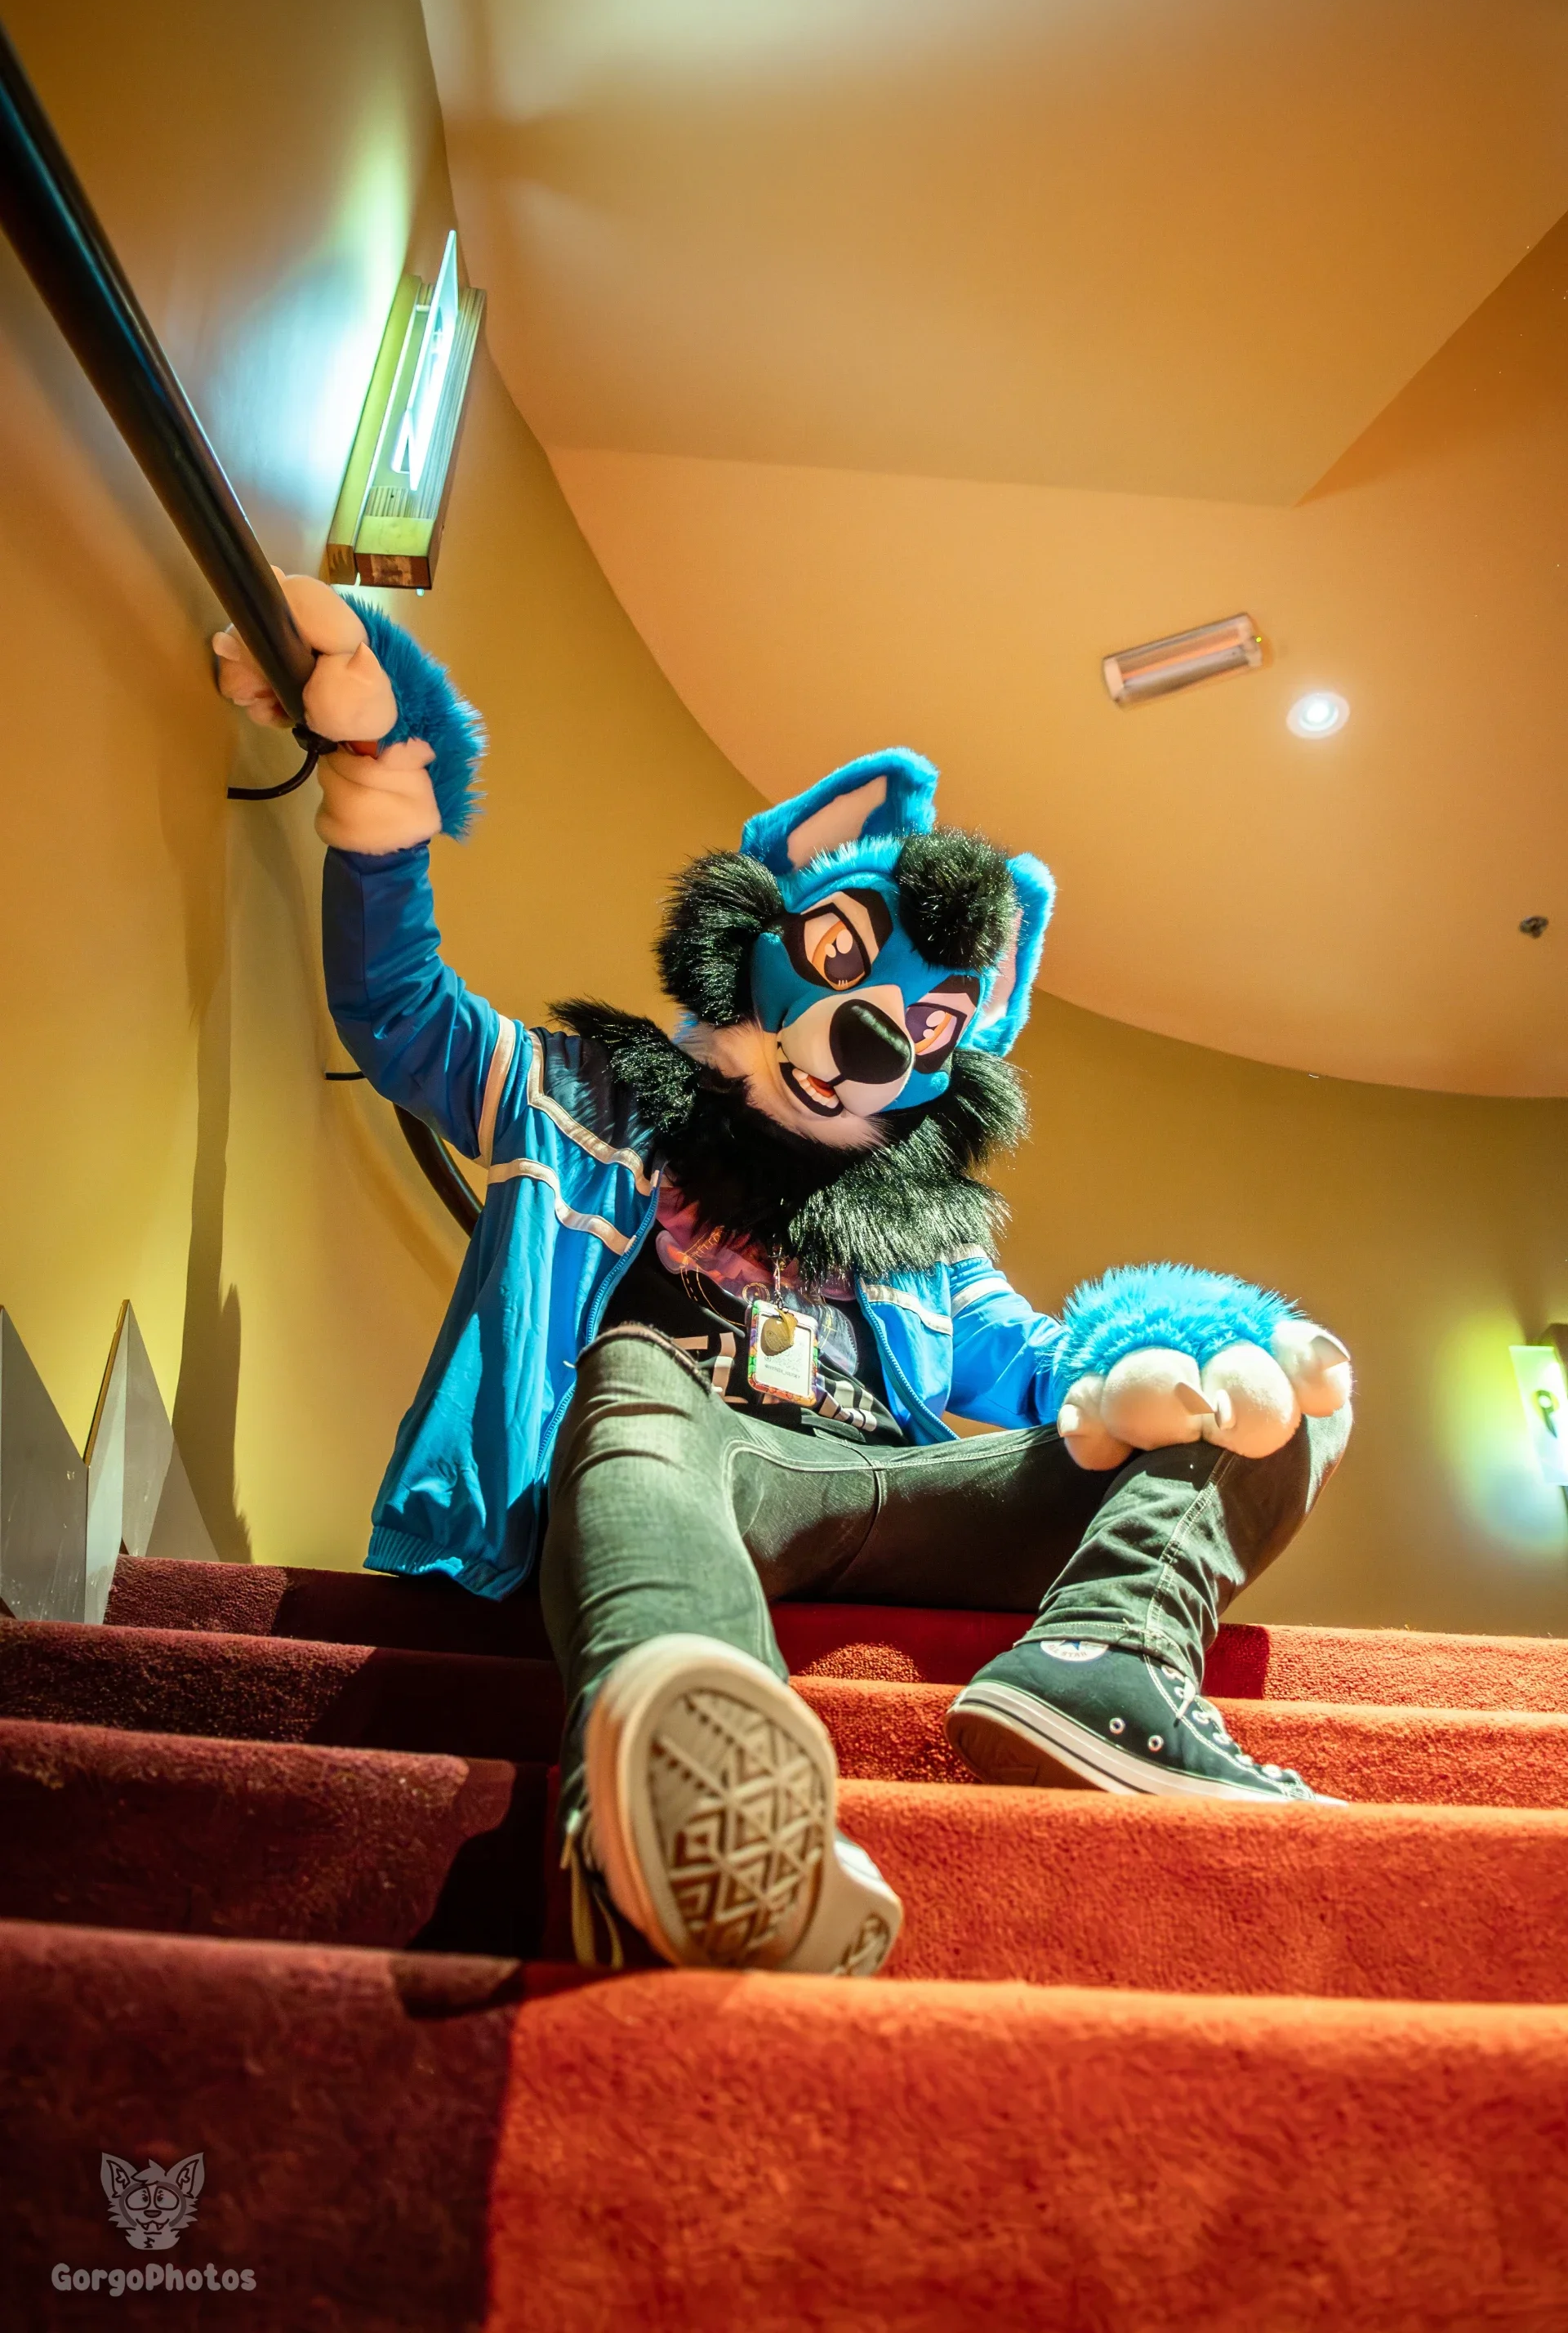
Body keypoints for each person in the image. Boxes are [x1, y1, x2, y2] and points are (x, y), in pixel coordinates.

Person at [216, 575, 1354, 1979]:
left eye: (927, 1026)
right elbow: (405, 1016)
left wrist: (1184, 1351)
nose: (875, 1040)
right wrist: (392, 797)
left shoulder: (929, 1238)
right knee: (632, 1373)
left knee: (1276, 1399)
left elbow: (1041, 1367)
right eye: (844, 965)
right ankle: (681, 1776)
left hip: (894, 1489)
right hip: (679, 1457)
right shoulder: (586, 1096)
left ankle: (1104, 1662)